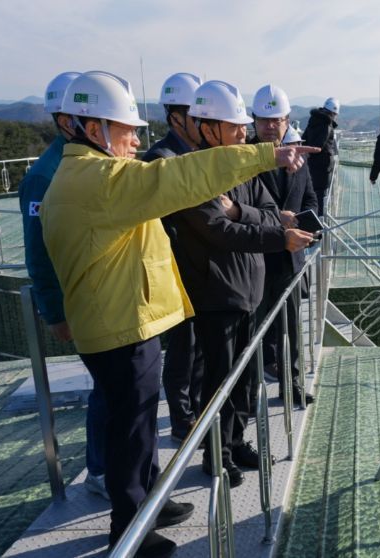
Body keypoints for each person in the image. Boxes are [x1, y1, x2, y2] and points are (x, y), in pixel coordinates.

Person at [40, 70, 317, 558]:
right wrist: (264, 155)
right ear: (87, 128)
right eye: (123, 129)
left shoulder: (86, 175)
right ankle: (131, 531)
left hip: (123, 318)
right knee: (131, 428)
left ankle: (146, 500)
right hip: (119, 325)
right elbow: (180, 180)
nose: (133, 139)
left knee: (139, 423)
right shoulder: (102, 179)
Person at [177, 80, 313, 486]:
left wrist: (239, 211)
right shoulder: (194, 174)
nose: (244, 133)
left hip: (247, 291)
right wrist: (269, 231)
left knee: (244, 378)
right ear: (206, 128)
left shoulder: (240, 167)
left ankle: (235, 443)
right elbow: (219, 231)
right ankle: (215, 455)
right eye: (236, 126)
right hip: (216, 294)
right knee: (218, 382)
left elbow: (269, 212)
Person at [19, 71, 110, 502]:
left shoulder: (86, 161)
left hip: (104, 297)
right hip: (81, 301)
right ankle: (101, 469)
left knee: (115, 389)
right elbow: (37, 253)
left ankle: (114, 467)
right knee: (108, 389)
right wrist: (54, 312)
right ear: (63, 120)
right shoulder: (45, 175)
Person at [142, 73, 205, 445]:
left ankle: (193, 412)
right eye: (197, 116)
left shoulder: (194, 156)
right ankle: (182, 421)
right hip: (176, 274)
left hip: (198, 272)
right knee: (184, 351)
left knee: (198, 353)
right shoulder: (161, 159)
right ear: (177, 117)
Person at [252, 84, 317, 406]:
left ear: (287, 120)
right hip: (255, 259)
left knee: (291, 328)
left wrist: (306, 226)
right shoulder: (242, 159)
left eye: (275, 119)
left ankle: (290, 386)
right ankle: (248, 396)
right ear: (253, 121)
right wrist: (278, 218)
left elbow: (310, 200)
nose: (269, 125)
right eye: (263, 120)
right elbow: (236, 208)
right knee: (252, 335)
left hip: (291, 259)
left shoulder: (298, 158)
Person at [302, 97, 339, 215]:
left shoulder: (313, 120)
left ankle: (313, 220)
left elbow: (305, 138)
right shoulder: (326, 124)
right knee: (321, 196)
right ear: (333, 113)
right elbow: (319, 145)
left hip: (311, 163)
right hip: (322, 166)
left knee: (313, 194)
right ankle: (320, 225)